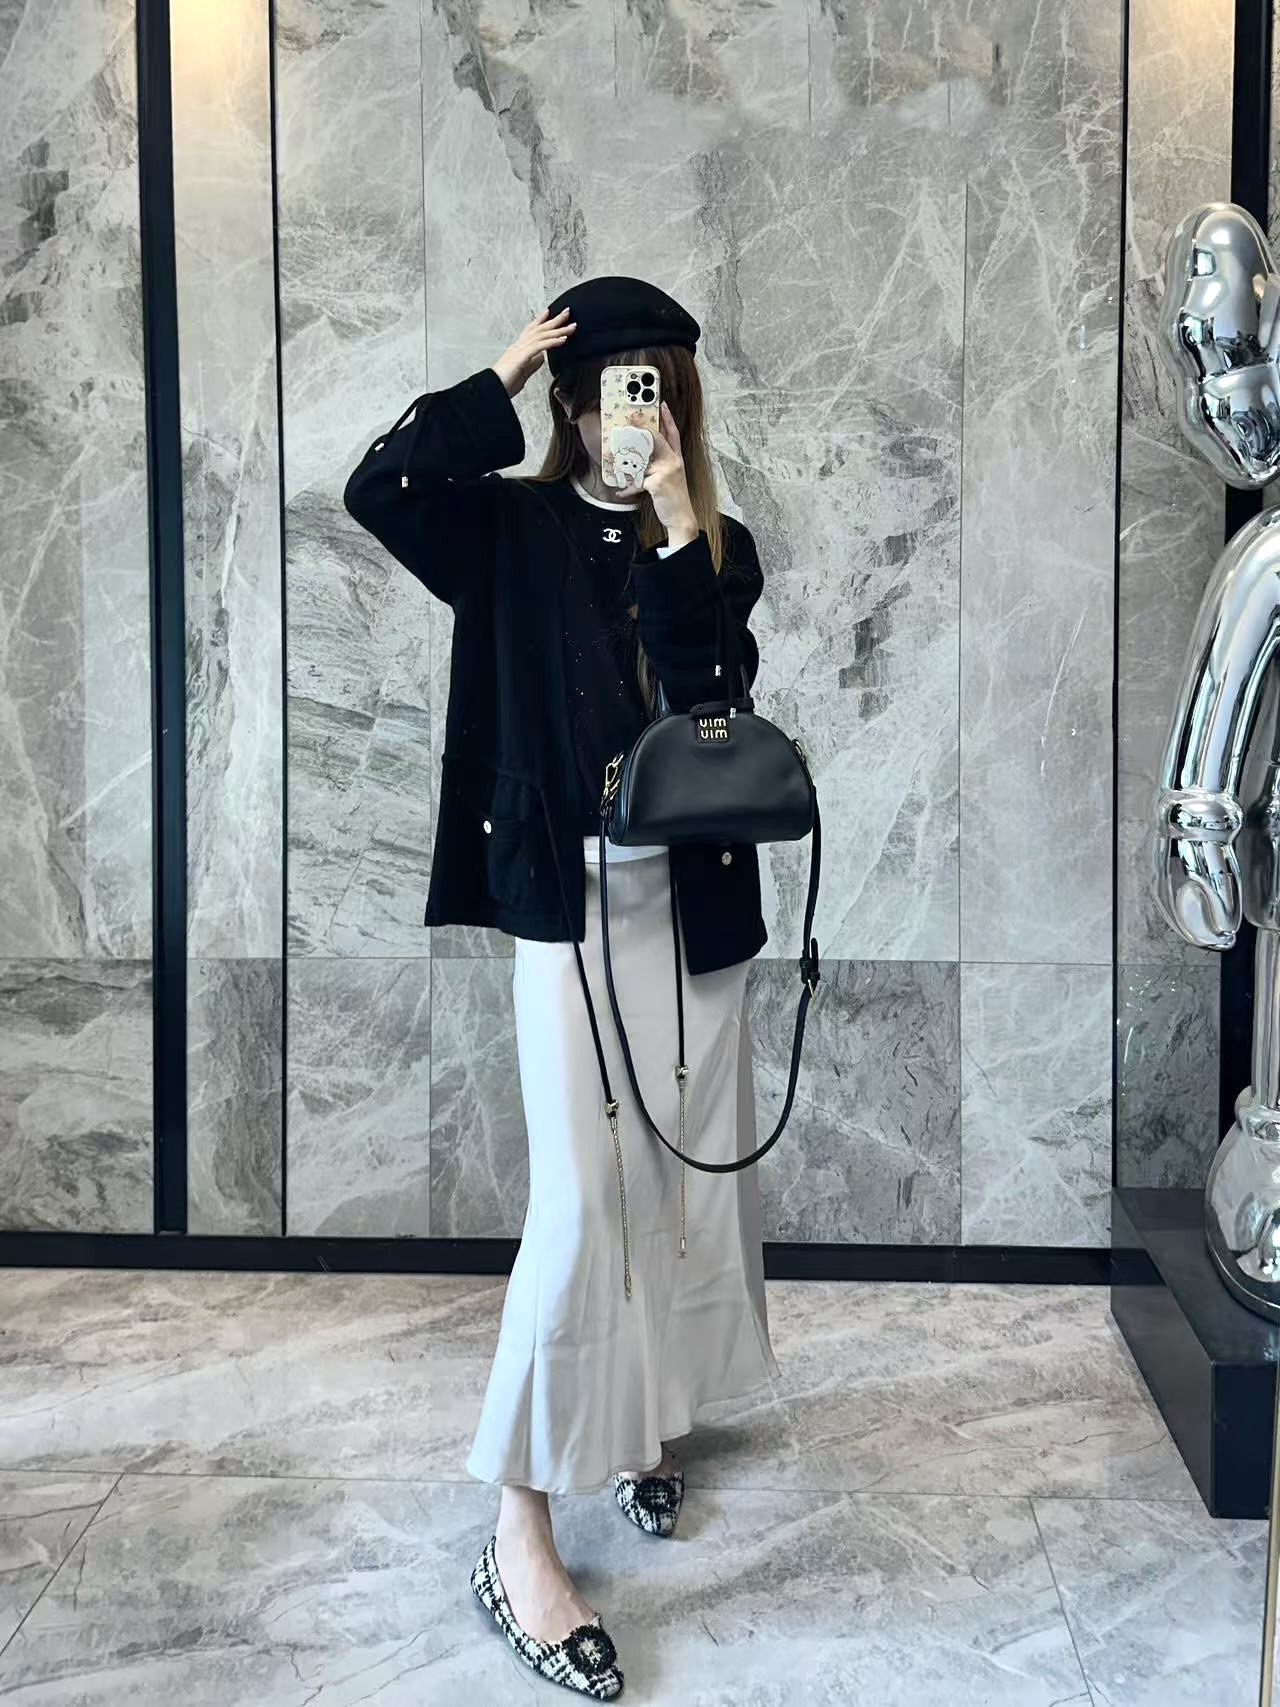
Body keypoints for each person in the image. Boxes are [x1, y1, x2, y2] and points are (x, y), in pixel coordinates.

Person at [342, 275, 780, 1699]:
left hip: (692, 904)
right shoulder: (508, 529)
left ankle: (647, 1423)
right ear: (574, 402)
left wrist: (675, 519)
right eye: (606, 390)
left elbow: (714, 683)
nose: (627, 415)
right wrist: (500, 376)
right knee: (585, 1204)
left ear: (679, 409)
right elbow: (380, 487)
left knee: (680, 1186)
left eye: (656, 392)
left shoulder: (713, 548)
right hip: (571, 898)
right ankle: (518, 1529)